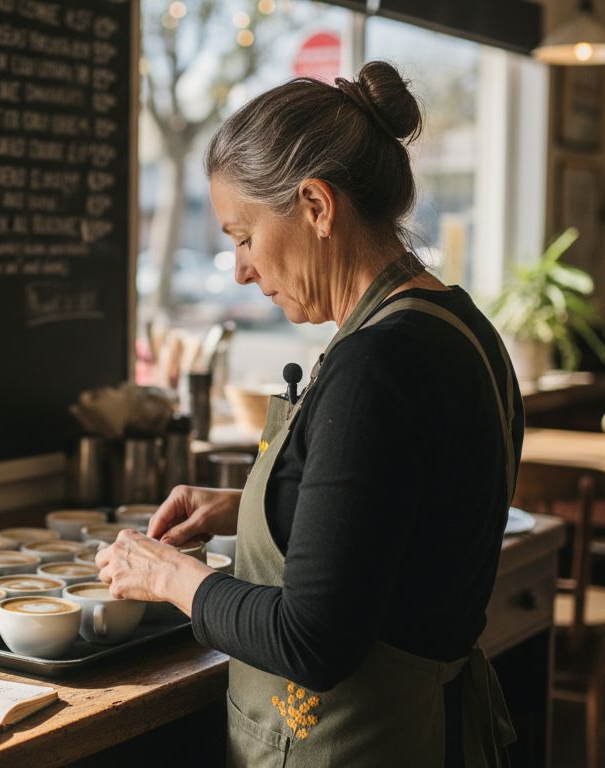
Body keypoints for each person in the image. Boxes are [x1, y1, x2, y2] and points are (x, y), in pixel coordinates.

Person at [95, 61, 523, 767]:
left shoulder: (376, 364)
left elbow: (311, 641)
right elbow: (405, 514)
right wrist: (252, 505)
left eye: (242, 236)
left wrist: (167, 574)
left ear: (317, 207)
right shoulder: (456, 322)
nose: (238, 270)